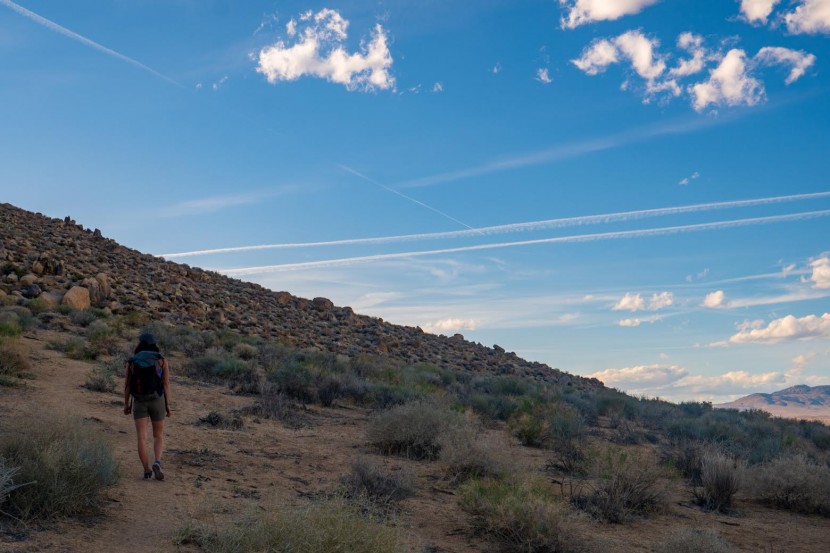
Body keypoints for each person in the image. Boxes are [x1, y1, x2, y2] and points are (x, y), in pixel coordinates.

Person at [123, 332, 171, 481]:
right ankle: (157, 461)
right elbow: (166, 384)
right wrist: (167, 405)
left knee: (142, 438)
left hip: (139, 401)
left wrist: (126, 404)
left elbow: (127, 385)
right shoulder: (161, 360)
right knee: (158, 435)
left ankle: (147, 470)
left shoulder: (132, 361)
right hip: (157, 399)